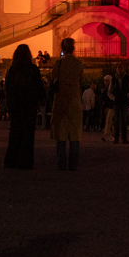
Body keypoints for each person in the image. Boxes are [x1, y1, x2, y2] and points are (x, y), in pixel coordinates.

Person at [4, 44, 46, 168]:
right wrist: (41, 100)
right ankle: (25, 161)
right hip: (29, 105)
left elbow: (9, 88)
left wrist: (10, 104)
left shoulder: (12, 70)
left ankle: (11, 160)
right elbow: (38, 87)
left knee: (15, 133)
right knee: (28, 135)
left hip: (16, 106)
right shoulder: (33, 69)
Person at [50, 37, 83, 170]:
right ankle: (73, 164)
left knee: (61, 135)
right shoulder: (78, 63)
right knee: (75, 135)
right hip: (75, 101)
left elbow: (53, 76)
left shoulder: (59, 64)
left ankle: (61, 162)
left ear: (62, 48)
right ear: (73, 48)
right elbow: (80, 77)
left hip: (61, 101)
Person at [109, 63, 129, 144]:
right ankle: (117, 138)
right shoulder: (113, 79)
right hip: (117, 102)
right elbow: (109, 91)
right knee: (116, 121)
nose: (119, 70)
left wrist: (127, 96)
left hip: (124, 102)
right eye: (118, 68)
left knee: (124, 120)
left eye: (121, 68)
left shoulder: (127, 78)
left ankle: (124, 138)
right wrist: (114, 98)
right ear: (117, 69)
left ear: (123, 69)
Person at [101, 75, 114, 142]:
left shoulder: (112, 88)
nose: (105, 82)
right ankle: (111, 135)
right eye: (105, 81)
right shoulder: (105, 88)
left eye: (107, 81)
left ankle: (106, 135)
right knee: (109, 122)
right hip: (106, 106)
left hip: (111, 106)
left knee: (108, 120)